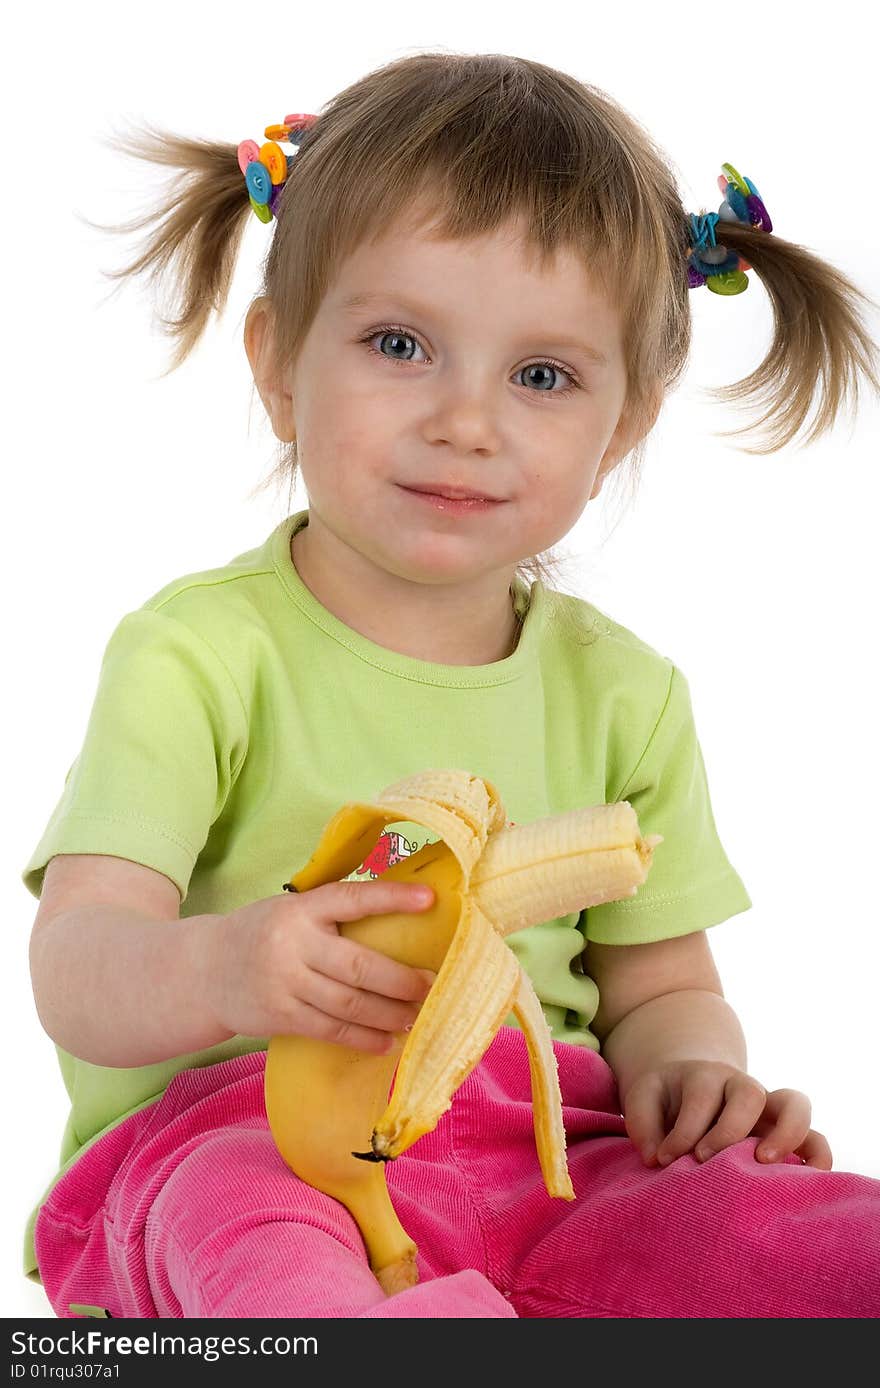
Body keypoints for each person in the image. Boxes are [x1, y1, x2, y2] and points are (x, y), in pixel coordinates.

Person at [22, 51, 880, 1320]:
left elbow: (662, 990)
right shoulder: (199, 656)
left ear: (623, 424)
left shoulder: (622, 693)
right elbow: (77, 959)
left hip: (543, 1145)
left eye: (541, 376)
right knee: (251, 1231)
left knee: (805, 1240)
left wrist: (696, 1076)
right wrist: (228, 971)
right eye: (400, 343)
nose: (466, 421)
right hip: (254, 1131)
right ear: (276, 364)